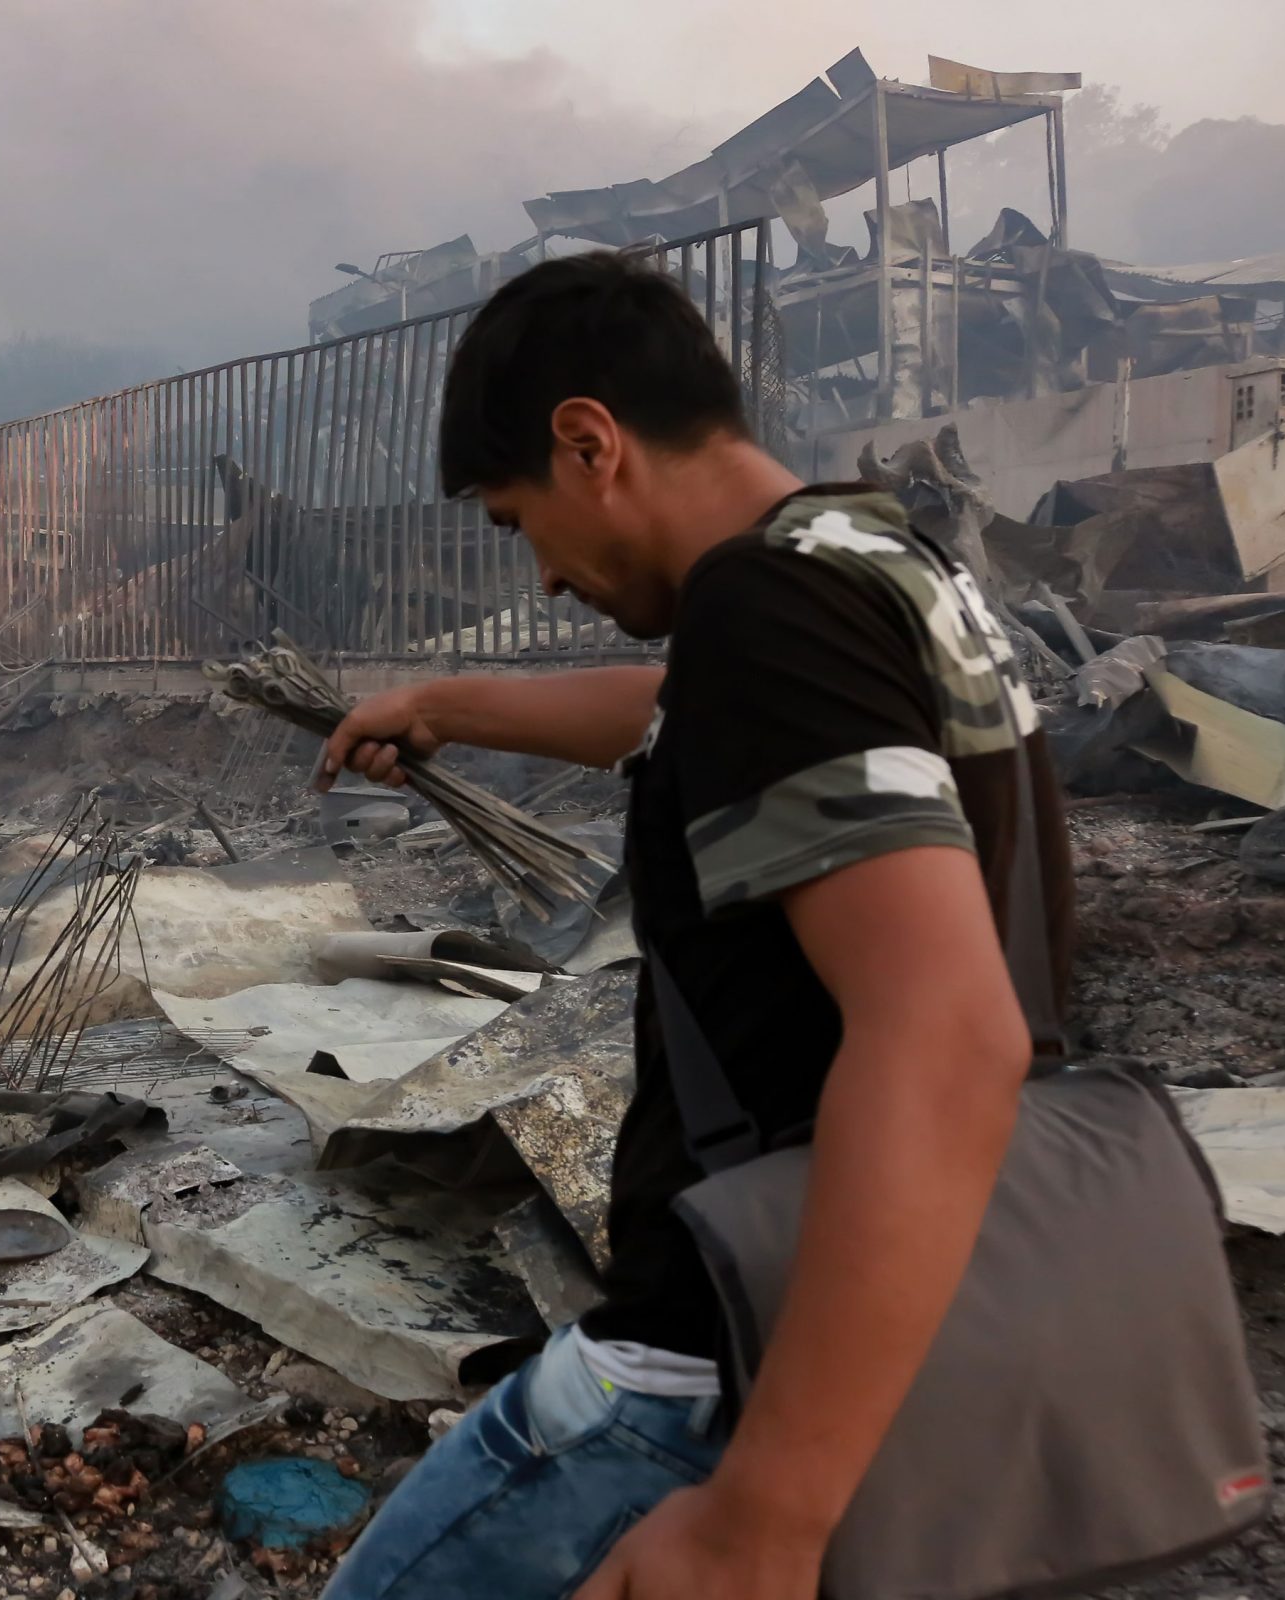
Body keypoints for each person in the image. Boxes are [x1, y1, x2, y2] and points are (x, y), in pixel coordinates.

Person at [316, 253, 1071, 1600]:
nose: (542, 575)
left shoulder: (764, 610)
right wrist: (450, 703)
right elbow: (689, 715)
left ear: (589, 442)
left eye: (515, 519)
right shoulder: (869, 558)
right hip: (929, 1300)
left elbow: (951, 1038)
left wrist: (765, 1514)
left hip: (727, 1350)